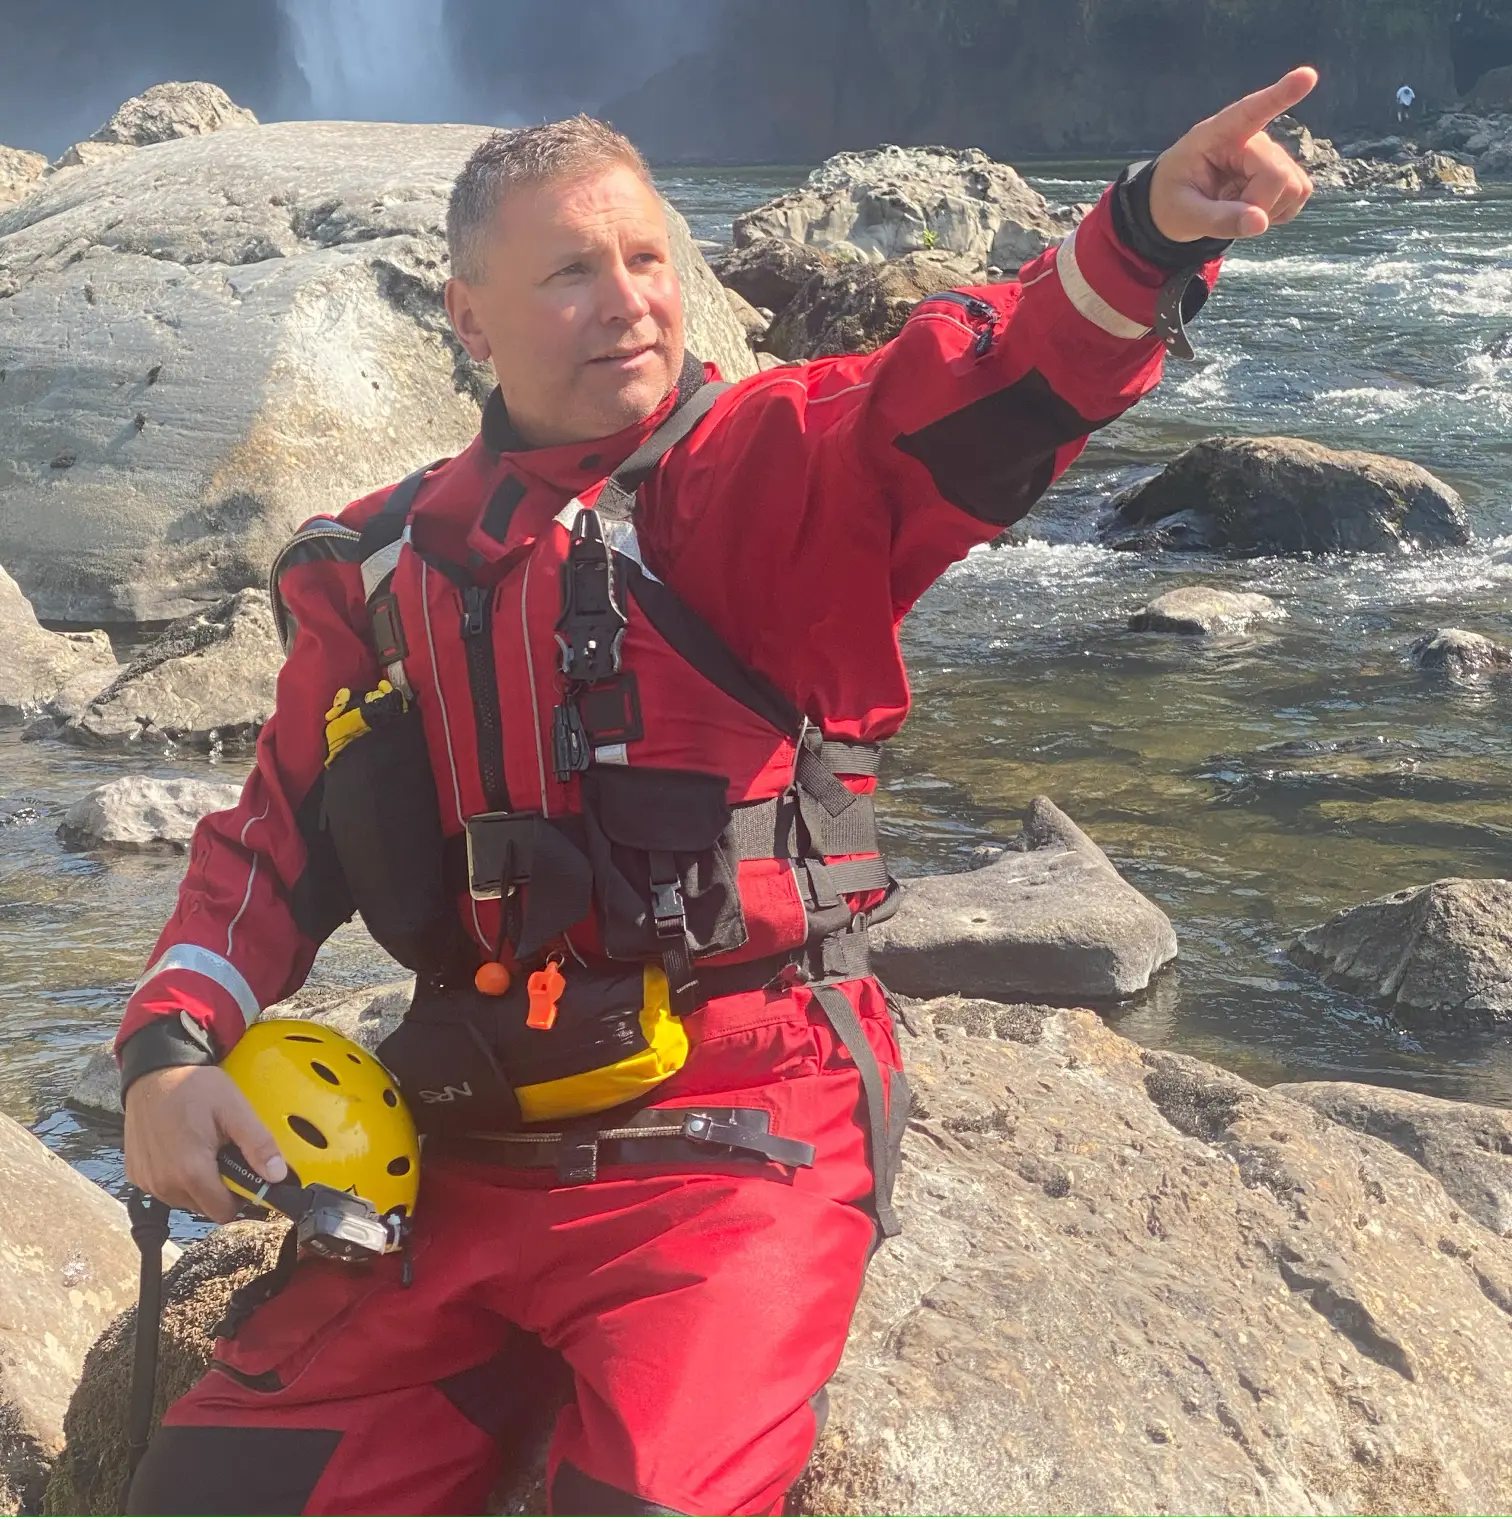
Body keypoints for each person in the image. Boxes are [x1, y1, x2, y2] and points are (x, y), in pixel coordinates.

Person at [120, 65, 1317, 1517]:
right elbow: (275, 839)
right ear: (468, 317)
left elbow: (961, 388)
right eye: (569, 269)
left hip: (742, 1128)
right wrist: (171, 1056)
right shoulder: (371, 570)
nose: (628, 299)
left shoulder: (764, 471)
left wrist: (1144, 240)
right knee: (223, 1487)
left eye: (645, 258)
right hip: (475, 1141)